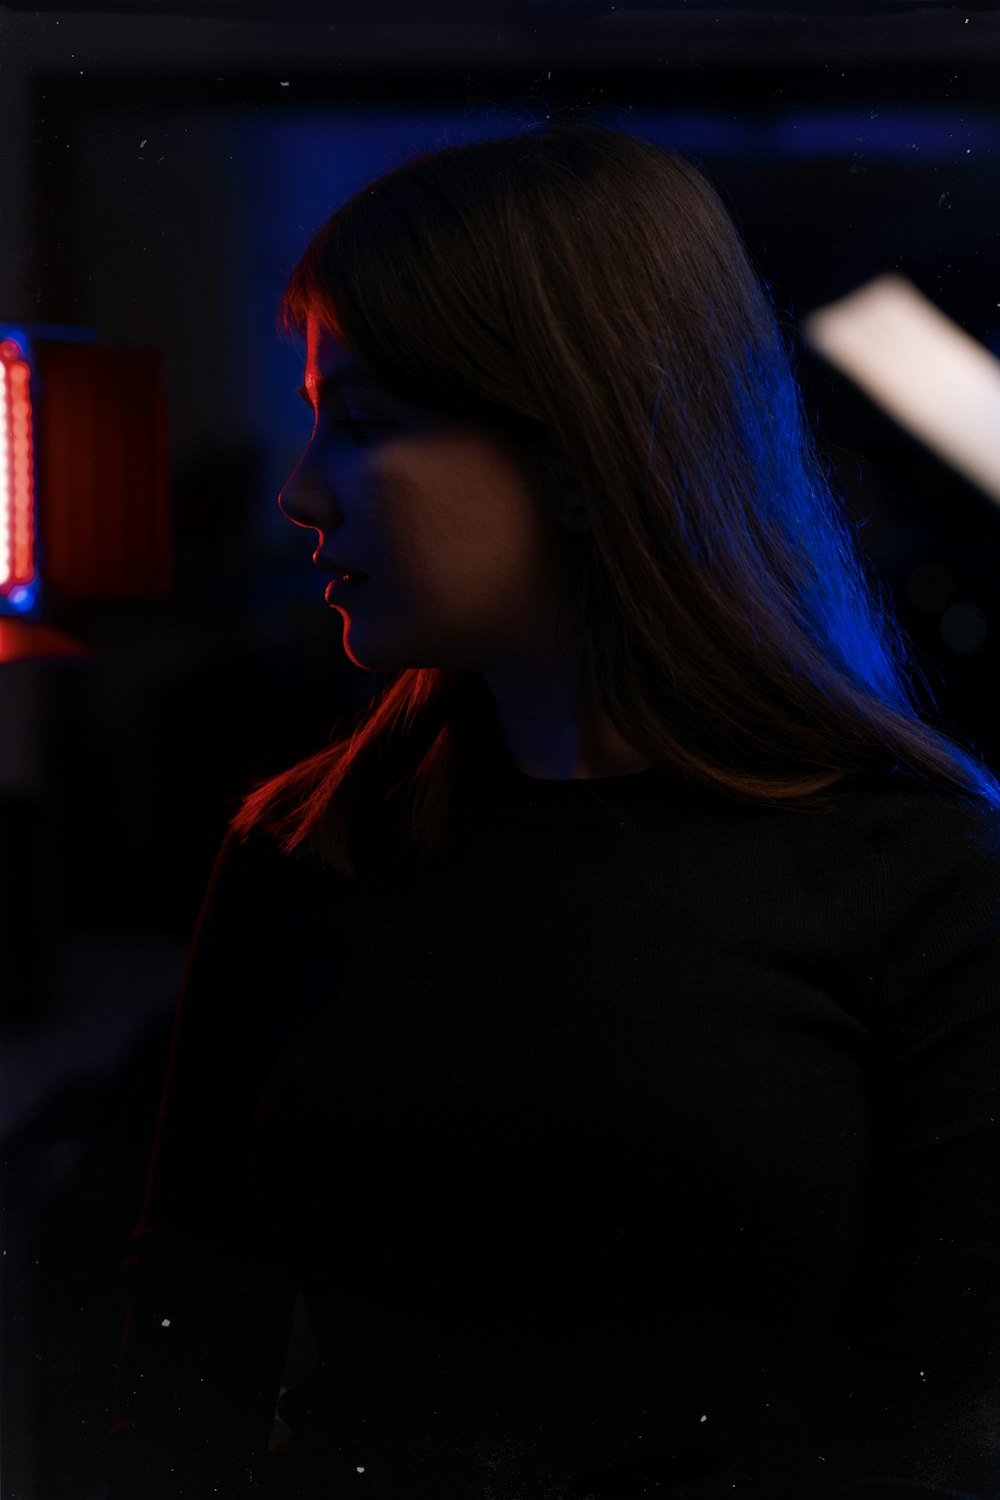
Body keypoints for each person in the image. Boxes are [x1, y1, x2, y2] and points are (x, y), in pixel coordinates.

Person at [96, 116, 1000, 1499]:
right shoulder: (303, 846)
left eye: (365, 425)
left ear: (583, 448)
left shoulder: (925, 874)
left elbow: (947, 1411)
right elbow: (186, 1337)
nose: (298, 493)